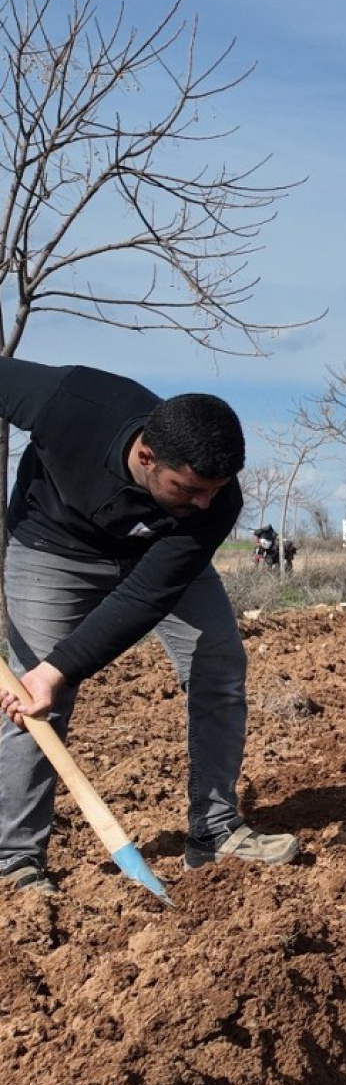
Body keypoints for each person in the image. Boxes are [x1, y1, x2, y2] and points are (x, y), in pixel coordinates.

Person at [0, 357, 299, 893]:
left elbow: (145, 597)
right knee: (32, 695)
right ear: (146, 456)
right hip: (52, 546)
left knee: (219, 661)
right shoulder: (72, 401)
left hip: (152, 556)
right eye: (188, 489)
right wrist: (48, 676)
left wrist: (61, 668)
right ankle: (16, 858)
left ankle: (214, 831)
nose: (205, 502)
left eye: (214, 489)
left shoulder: (214, 502)